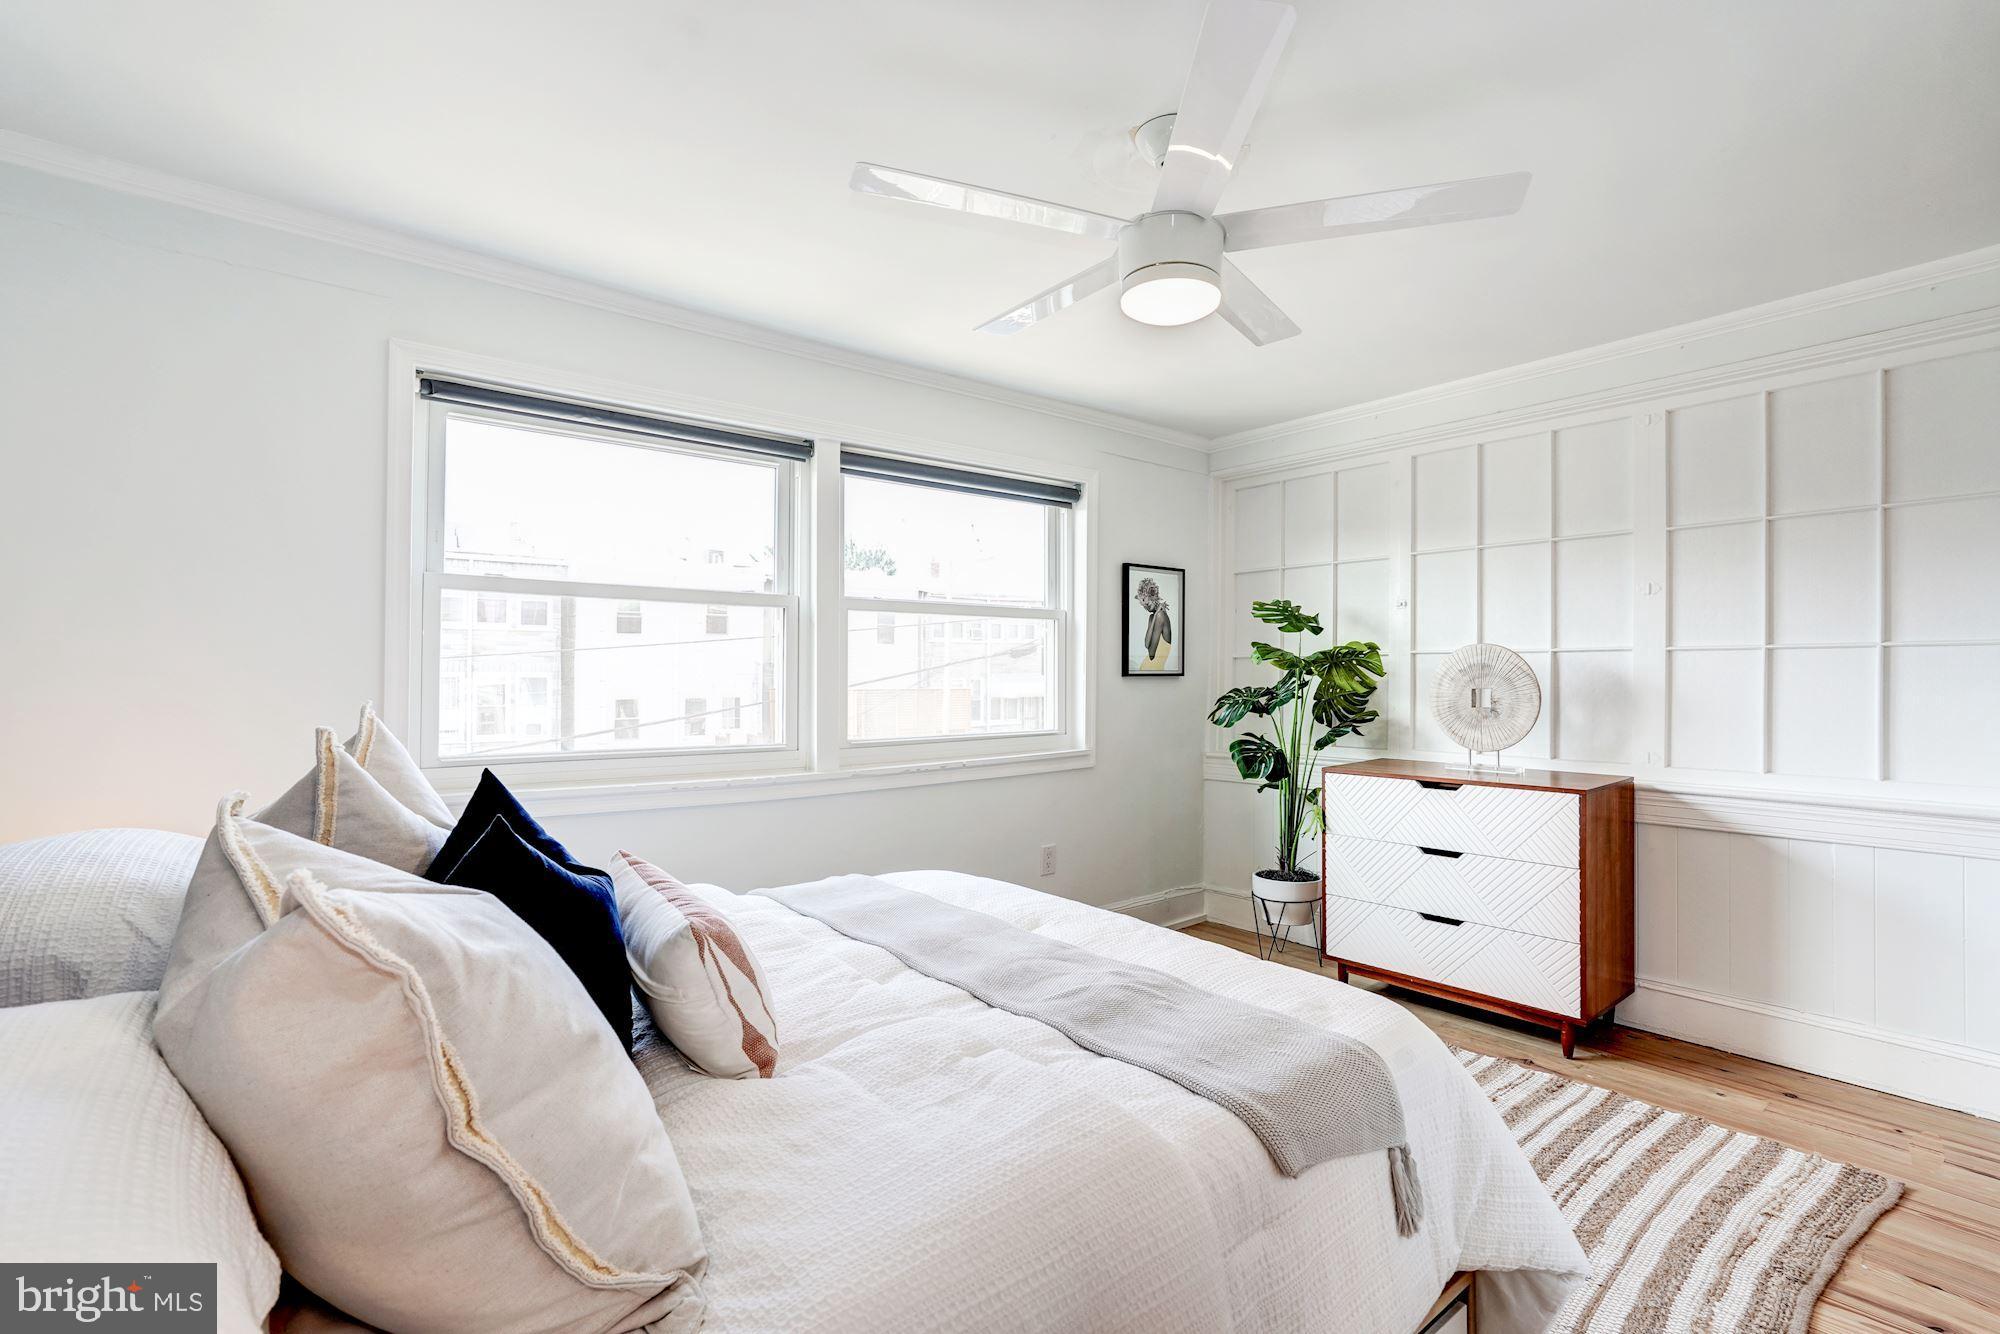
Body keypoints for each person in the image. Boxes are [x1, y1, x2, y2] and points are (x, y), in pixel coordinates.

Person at [1134, 576, 1173, 671]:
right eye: (1144, 606)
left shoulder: (1160, 616)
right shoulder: (1153, 616)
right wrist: (1154, 616)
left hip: (1154, 667)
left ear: (1154, 598)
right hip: (1150, 667)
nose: (1146, 608)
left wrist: (1156, 616)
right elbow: (1146, 644)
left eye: (1147, 604)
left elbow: (1151, 654)